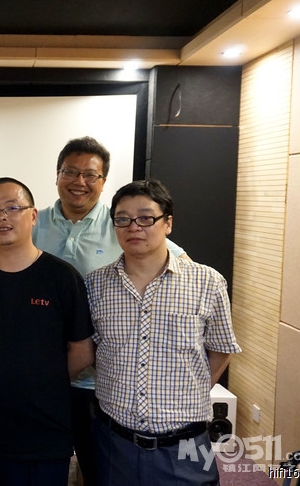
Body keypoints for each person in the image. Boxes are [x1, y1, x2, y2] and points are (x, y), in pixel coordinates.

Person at [32, 136, 188, 484]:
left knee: (100, 469)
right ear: (57, 175)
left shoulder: (122, 224)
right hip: (43, 374)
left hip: (100, 382)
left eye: (90, 174)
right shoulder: (33, 223)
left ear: (103, 181)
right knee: (43, 466)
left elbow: (179, 263)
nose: (80, 182)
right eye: (70, 172)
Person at [86, 179, 241, 486]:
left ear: (167, 223)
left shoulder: (207, 282)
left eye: (146, 218)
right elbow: (90, 351)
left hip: (185, 445)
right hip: (114, 443)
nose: (134, 227)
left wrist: (189, 392)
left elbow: (221, 349)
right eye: (122, 219)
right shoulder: (95, 285)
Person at [0, 178, 95, 486]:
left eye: (12, 208)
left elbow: (82, 352)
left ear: (33, 215)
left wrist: (41, 379)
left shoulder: (62, 277)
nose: (2, 217)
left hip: (45, 434)